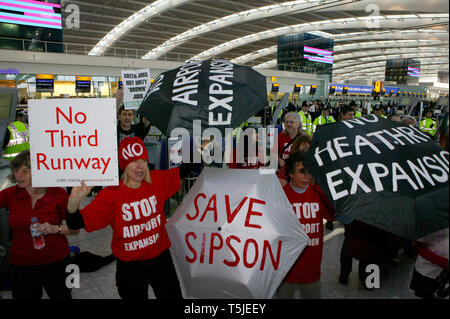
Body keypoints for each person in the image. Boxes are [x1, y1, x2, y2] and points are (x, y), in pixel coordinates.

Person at [65, 137, 191, 299]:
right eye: (134, 161)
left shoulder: (157, 180)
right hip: (130, 267)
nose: (140, 166)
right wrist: (73, 202)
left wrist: (201, 148)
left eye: (143, 160)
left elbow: (185, 170)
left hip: (160, 260)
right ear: (124, 165)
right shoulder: (111, 195)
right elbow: (75, 223)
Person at [0, 150, 79, 299]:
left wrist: (56, 229)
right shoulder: (11, 194)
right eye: (16, 171)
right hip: (22, 264)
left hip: (57, 262)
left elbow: (76, 229)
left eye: (25, 171)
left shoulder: (58, 194)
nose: (18, 176)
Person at [277, 151, 335, 299]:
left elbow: (334, 214)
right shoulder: (280, 196)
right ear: (291, 174)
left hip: (311, 268)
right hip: (285, 269)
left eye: (309, 171)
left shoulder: (318, 193)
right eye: (302, 171)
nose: (306, 175)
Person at [410, 228, 448, 299]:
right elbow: (418, 246)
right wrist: (444, 262)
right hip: (426, 270)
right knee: (422, 290)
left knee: (438, 289)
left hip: (442, 273)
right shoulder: (430, 224)